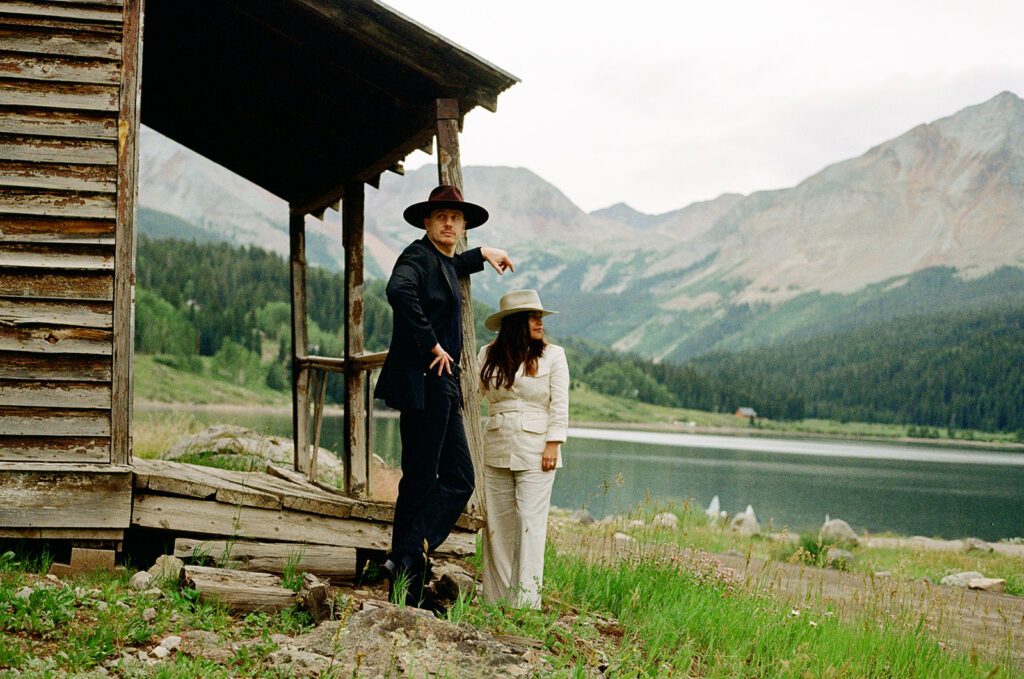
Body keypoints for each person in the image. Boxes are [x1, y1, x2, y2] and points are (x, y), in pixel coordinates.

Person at [374, 184, 513, 612]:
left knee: (446, 478)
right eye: (441, 217)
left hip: (439, 385)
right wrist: (430, 343)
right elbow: (398, 291)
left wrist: (484, 253)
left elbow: (454, 267)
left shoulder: (446, 262)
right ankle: (409, 564)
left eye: (456, 217)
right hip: (426, 380)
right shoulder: (416, 256)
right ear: (427, 222)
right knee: (439, 478)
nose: (449, 223)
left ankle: (405, 566)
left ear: (464, 225)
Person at [477, 289, 569, 609]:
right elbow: (472, 396)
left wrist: (553, 444)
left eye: (541, 316)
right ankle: (494, 602)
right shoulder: (487, 354)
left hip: (538, 449)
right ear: (516, 322)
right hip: (496, 446)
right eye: (533, 316)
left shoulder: (553, 356)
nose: (540, 322)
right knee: (497, 528)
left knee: (530, 525)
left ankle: (526, 604)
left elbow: (559, 405)